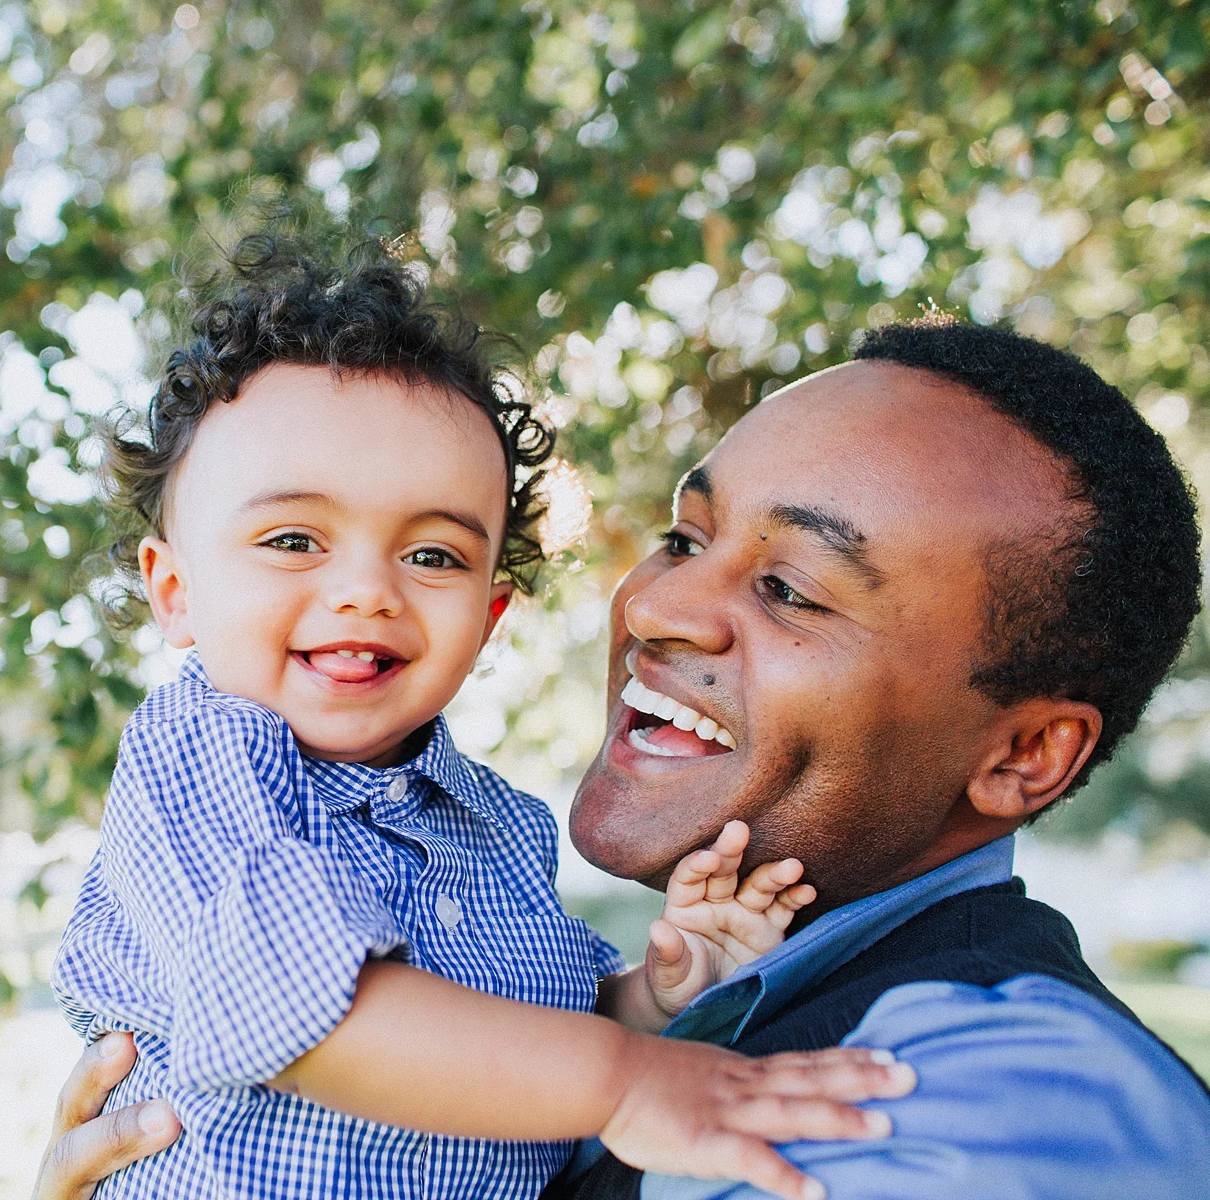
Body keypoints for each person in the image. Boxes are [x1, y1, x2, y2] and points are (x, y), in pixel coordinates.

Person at [35, 314, 1210, 1199]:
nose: (655, 606)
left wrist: (645, 1019)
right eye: (681, 537)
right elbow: (310, 1013)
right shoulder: (221, 770)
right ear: (174, 590)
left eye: (787, 588)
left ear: (1023, 756)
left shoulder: (1024, 1100)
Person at [48, 235, 915, 1200]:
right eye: (295, 539)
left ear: (489, 618)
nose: (368, 591)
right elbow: (303, 1017)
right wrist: (631, 1083)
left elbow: (524, 1032)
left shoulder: (501, 827)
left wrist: (651, 999)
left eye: (433, 557)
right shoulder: (200, 763)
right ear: (174, 590)